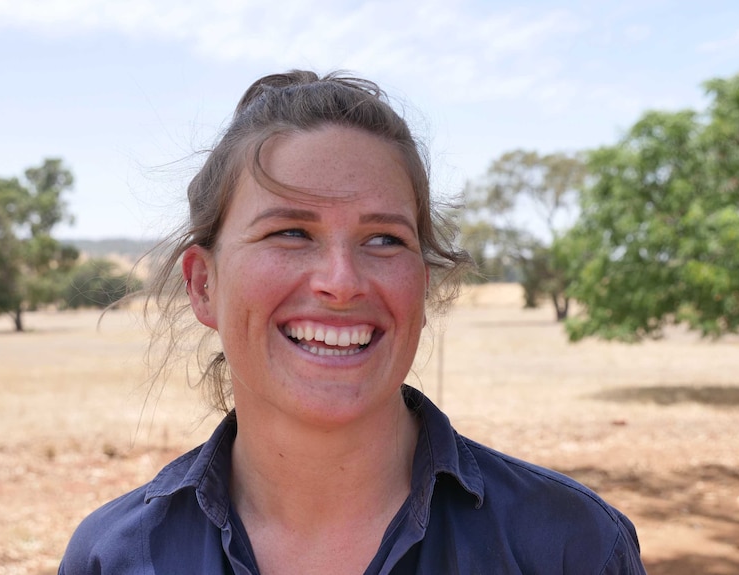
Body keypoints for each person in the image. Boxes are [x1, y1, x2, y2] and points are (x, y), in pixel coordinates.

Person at [59, 70, 646, 574]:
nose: (341, 282)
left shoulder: (570, 545)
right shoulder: (116, 557)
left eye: (384, 239)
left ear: (423, 283)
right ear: (202, 285)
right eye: (290, 232)